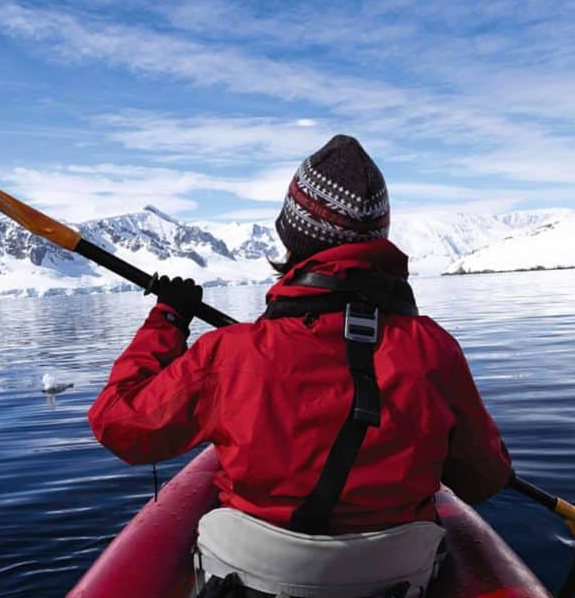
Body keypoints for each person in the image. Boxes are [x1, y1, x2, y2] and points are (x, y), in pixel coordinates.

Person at [88, 134, 511, 535]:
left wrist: (167, 320)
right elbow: (483, 480)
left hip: (253, 579)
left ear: (293, 232)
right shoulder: (432, 349)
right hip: (401, 579)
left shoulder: (229, 354)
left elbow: (118, 424)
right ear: (378, 238)